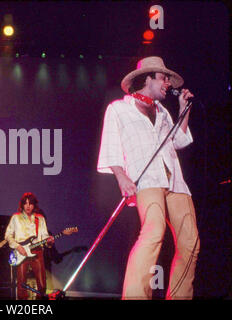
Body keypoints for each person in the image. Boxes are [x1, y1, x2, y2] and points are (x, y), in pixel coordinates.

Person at [97, 56, 200, 299]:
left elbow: (178, 141)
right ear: (148, 79)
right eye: (163, 78)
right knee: (154, 230)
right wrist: (121, 177)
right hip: (147, 181)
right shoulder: (119, 109)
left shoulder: (163, 112)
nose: (167, 83)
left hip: (175, 181)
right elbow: (111, 147)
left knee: (191, 242)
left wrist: (185, 110)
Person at [5, 192, 54, 300]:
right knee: (21, 282)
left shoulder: (40, 219)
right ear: (22, 205)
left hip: (37, 251)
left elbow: (45, 237)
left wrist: (49, 242)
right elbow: (8, 235)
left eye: (30, 203)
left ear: (34, 205)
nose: (28, 206)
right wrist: (18, 247)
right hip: (21, 251)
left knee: (42, 283)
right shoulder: (15, 217)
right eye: (25, 203)